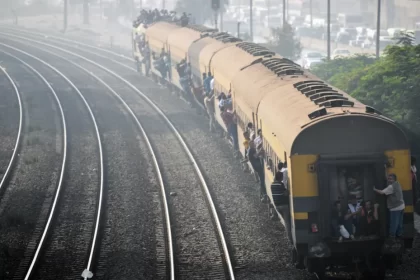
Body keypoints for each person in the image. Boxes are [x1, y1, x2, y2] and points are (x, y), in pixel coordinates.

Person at [374, 169, 405, 238]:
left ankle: (392, 235)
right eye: (388, 178)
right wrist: (386, 172)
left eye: (390, 179)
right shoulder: (397, 183)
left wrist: (374, 189)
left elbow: (382, 192)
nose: (388, 180)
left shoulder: (391, 187)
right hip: (401, 205)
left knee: (394, 222)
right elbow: (388, 181)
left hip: (395, 207)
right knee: (400, 222)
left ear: (394, 179)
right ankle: (399, 234)